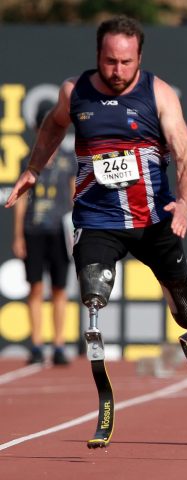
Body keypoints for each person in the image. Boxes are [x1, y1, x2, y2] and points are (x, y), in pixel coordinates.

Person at [4, 15, 187, 348]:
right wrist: (34, 168)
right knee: (94, 285)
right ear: (98, 55)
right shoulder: (75, 91)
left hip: (153, 219)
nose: (117, 71)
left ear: (140, 58)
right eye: (110, 61)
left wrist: (184, 202)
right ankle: (90, 327)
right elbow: (55, 125)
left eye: (126, 62)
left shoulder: (158, 94)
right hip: (99, 219)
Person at [12, 107, 76, 365]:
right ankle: (37, 344)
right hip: (34, 228)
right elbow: (20, 201)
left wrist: (78, 229)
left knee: (60, 288)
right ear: (37, 130)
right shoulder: (27, 160)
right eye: (43, 128)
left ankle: (59, 344)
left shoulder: (68, 159)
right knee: (35, 287)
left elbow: (74, 196)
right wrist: (17, 235)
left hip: (60, 230)